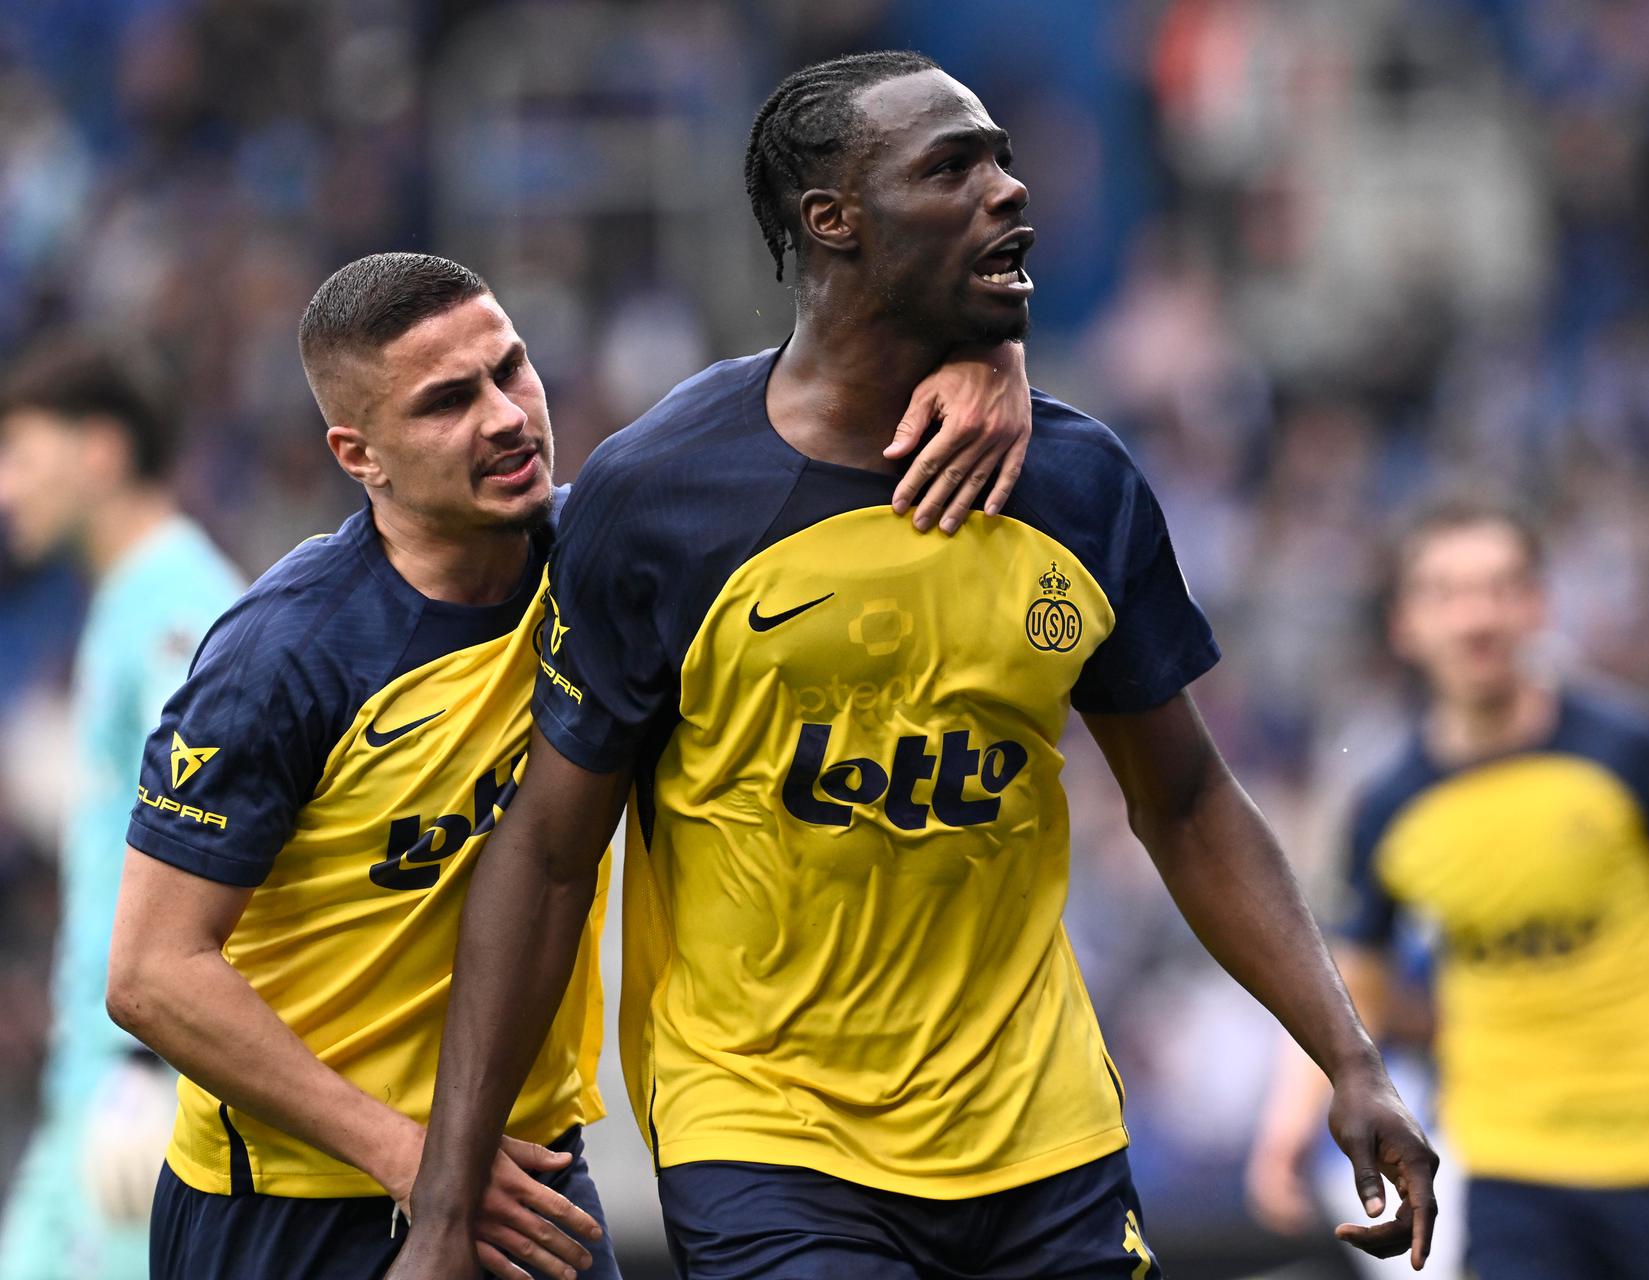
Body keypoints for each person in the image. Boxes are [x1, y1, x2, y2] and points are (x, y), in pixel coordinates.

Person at [393, 50, 1439, 1280]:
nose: (1009, 191)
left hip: (1041, 1132)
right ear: (832, 221)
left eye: (1001, 157)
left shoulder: (1078, 481)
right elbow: (551, 852)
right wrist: (448, 1199)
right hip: (771, 1131)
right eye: (954, 168)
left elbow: (1189, 799)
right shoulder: (661, 497)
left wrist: (1349, 1055)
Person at [104, 250, 1033, 1280]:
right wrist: (418, 1162)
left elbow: (803, 404)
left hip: (531, 1172)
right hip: (292, 1205)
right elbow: (154, 972)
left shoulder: (615, 556)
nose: (505, 415)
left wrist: (991, 355)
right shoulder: (284, 656)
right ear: (357, 453)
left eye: (511, 369)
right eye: (448, 402)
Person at [1245, 496, 1649, 1280]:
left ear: (1538, 604)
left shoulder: (1629, 752)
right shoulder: (1391, 808)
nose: (1478, 617)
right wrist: (1288, 1122)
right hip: (1509, 1161)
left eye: (1501, 588)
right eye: (1448, 592)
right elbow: (1350, 980)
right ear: (1405, 623)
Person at [0, 337, 246, 1280]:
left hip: (136, 1085)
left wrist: (147, 1069)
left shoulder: (174, 601)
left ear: (100, 453)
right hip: (100, 1079)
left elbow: (213, 813)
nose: (6, 485)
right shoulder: (124, 601)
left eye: (19, 452)